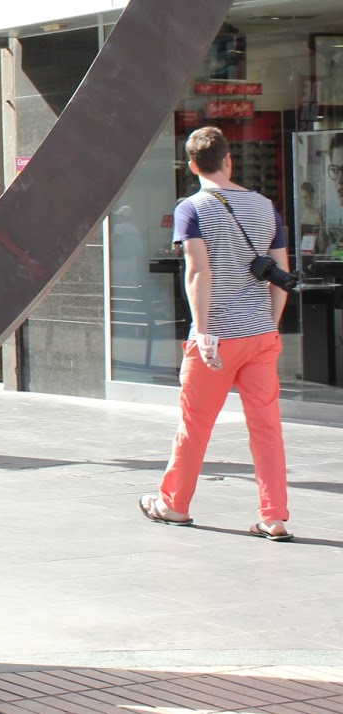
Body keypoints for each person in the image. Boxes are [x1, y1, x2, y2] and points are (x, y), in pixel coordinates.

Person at [138, 126, 293, 540]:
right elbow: (281, 274)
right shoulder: (266, 207)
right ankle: (274, 517)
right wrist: (271, 325)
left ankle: (174, 505)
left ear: (192, 167)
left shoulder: (191, 209)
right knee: (266, 427)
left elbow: (198, 272)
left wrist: (203, 331)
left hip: (217, 337)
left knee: (196, 423)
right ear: (228, 160)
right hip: (260, 335)